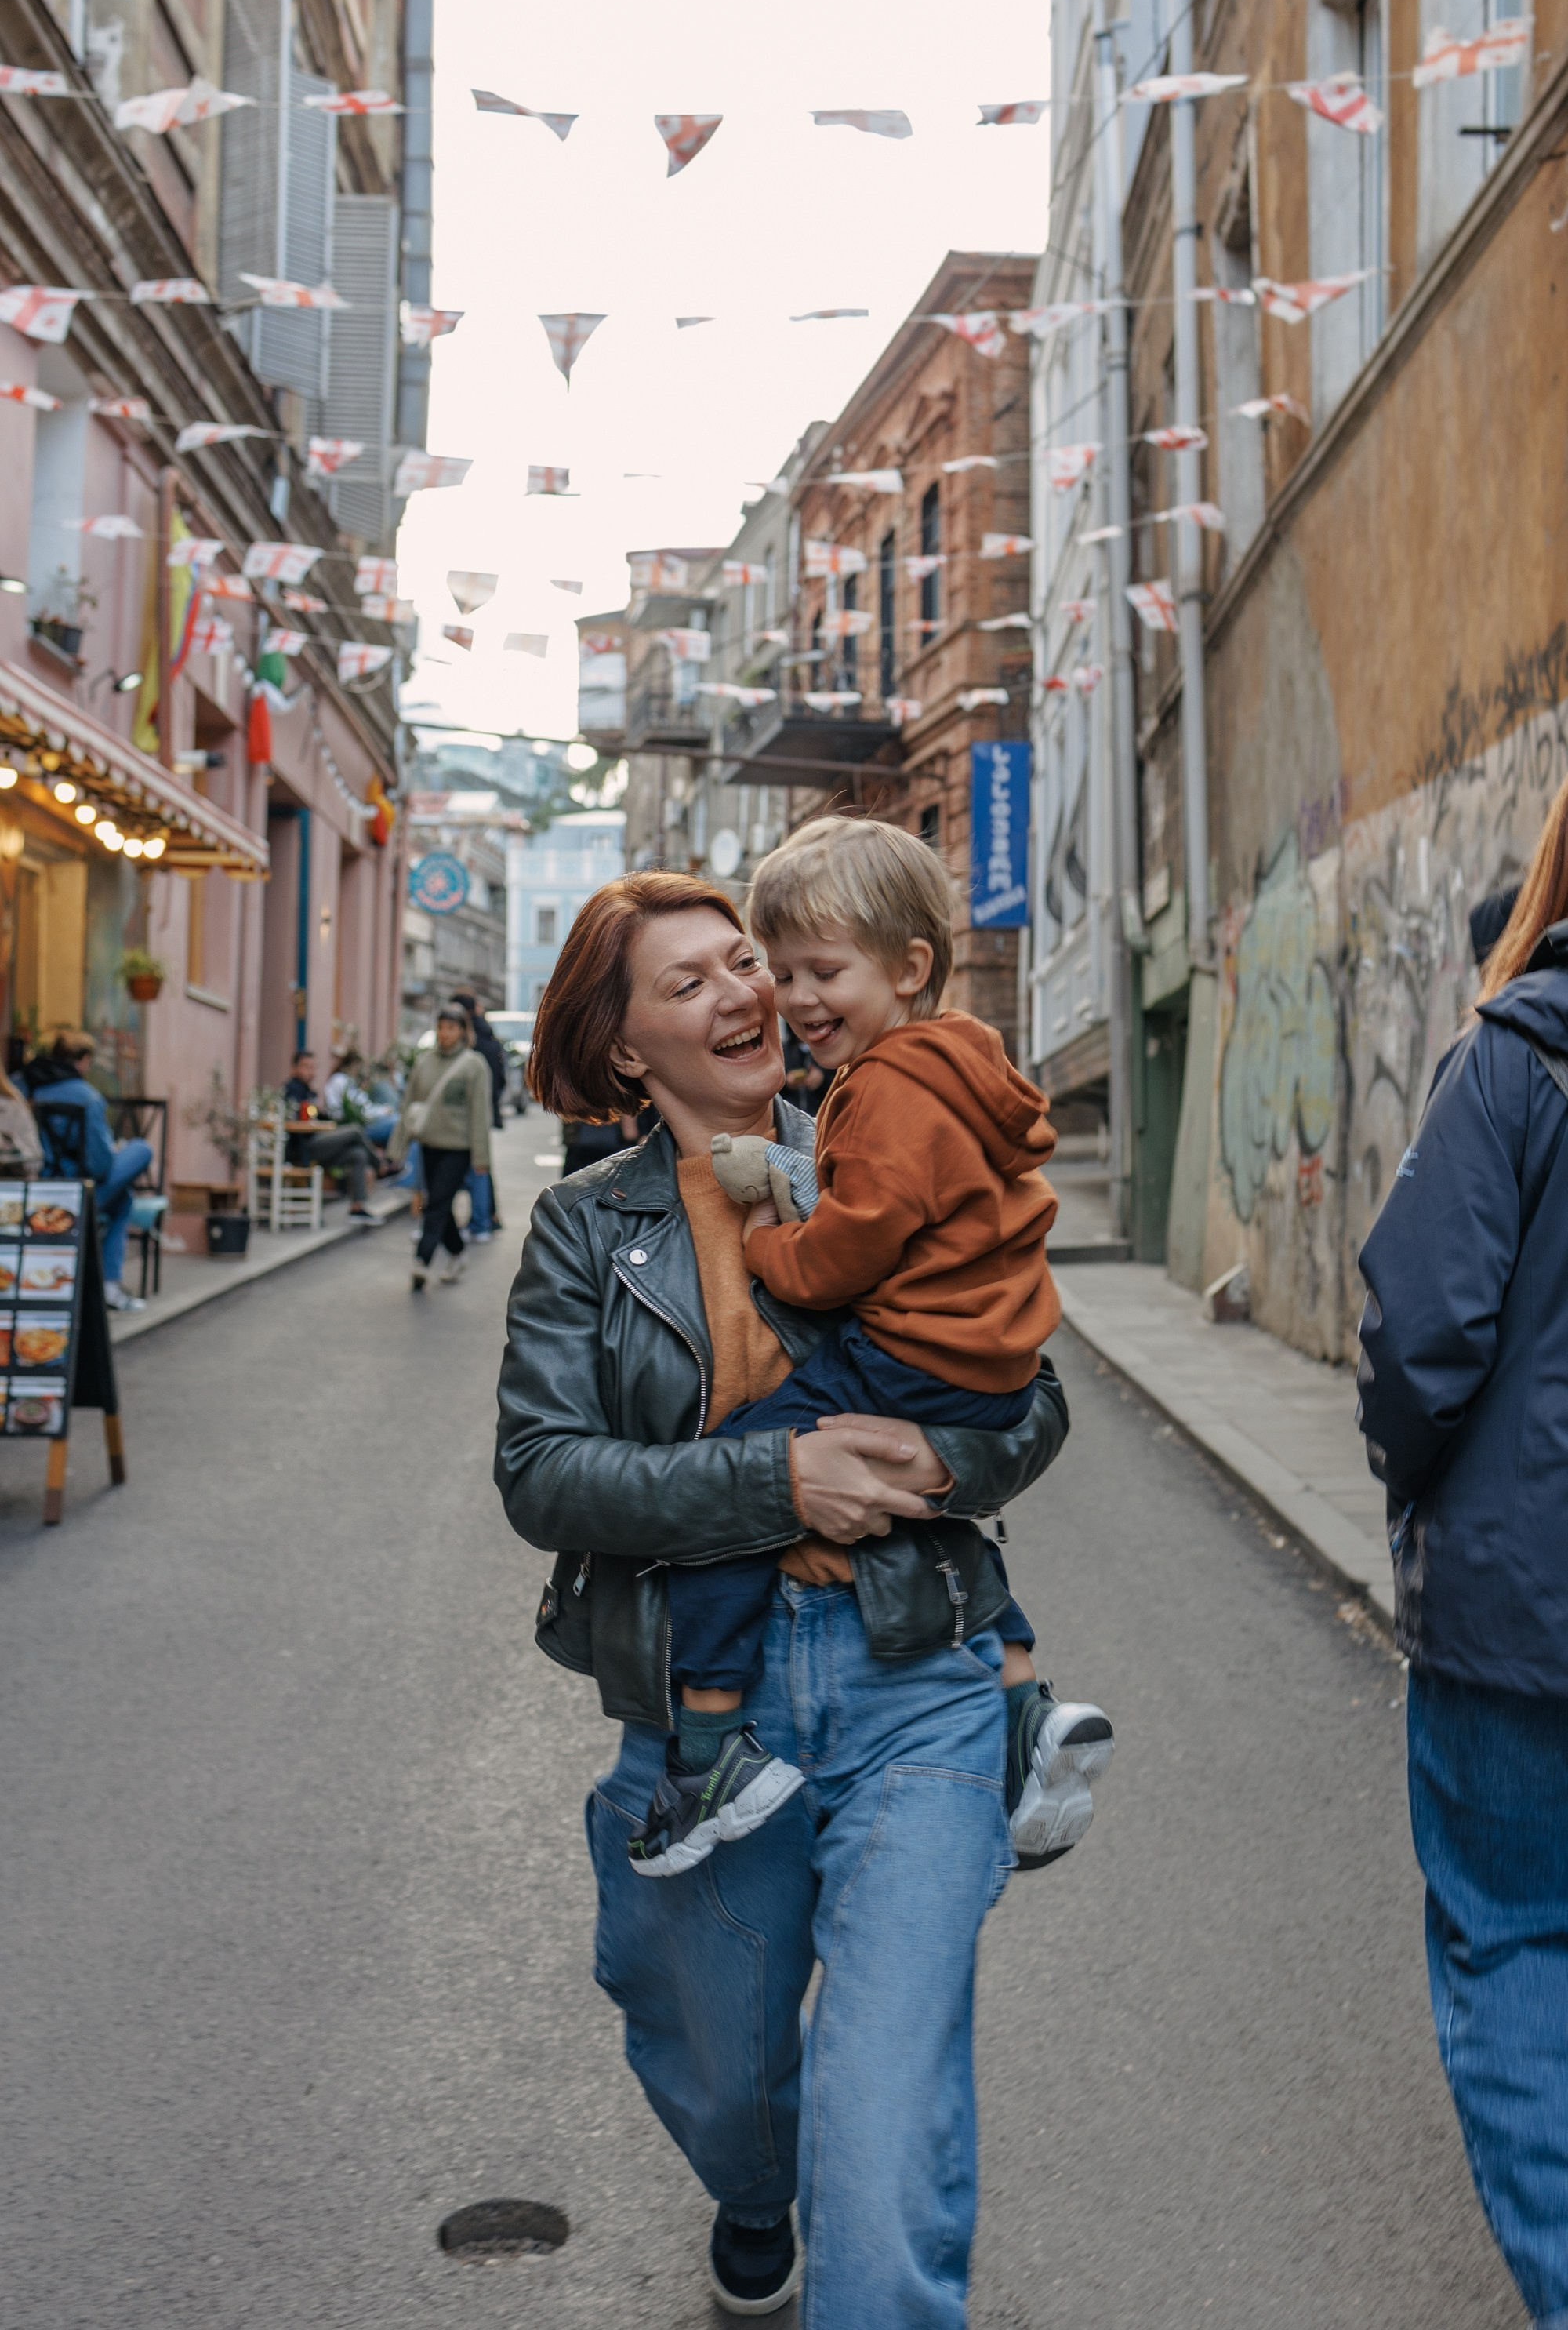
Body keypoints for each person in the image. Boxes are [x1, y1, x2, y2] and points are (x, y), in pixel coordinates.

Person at [495, 872, 1071, 2322]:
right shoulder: (585, 1228)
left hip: (911, 1681)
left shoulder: (893, 1131)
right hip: (710, 1711)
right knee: (718, 2064)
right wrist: (779, 1485)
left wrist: (938, 1453)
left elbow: (1033, 1390)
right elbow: (544, 1472)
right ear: (630, 1049)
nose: (745, 992)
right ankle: (755, 2198)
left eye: (745, 960)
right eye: (686, 983)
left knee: (879, 2151)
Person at [630, 817, 1111, 1881]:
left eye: (819, 972)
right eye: (784, 968)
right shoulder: (955, 1062)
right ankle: (1024, 1702)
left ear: (911, 968)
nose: (794, 999)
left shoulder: (888, 1087)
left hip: (917, 1358)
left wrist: (770, 1246)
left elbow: (848, 1249)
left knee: (741, 1481)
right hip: (985, 1362)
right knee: (920, 1508)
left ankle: (709, 1744)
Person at [1356, 776, 1568, 2330]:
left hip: (1523, 1601)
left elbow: (1421, 1336)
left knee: (1510, 1942)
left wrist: (1414, 1488)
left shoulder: (1514, 1061)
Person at [25, 1030, 153, 1310]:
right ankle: (110, 1286)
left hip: (43, 1185)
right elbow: (100, 1165)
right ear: (83, 1060)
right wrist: (117, 1151)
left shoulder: (32, 1090)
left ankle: (109, 1286)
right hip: (81, 1191)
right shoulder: (89, 1098)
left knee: (124, 1198)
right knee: (142, 1149)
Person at [392, 1004, 492, 1289]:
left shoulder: (474, 1065)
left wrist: (481, 1156)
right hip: (429, 1144)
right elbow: (409, 1103)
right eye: (441, 1026)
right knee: (438, 1202)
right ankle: (458, 1253)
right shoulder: (425, 1062)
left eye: (451, 1027)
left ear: (463, 1031)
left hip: (458, 1147)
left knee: (435, 1203)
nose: (445, 1033)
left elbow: (479, 1113)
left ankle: (421, 1260)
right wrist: (397, 1146)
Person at [281, 1052, 386, 1227]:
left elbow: (318, 1116)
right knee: (354, 1131)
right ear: (294, 1068)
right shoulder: (291, 1091)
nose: (311, 1072)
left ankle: (357, 1208)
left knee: (357, 1154)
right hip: (302, 1148)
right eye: (306, 1067)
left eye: (313, 1067)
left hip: (315, 1144)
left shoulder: (308, 1092)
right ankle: (381, 1166)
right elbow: (297, 1122)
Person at [451, 993, 506, 1239]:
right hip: (486, 1112)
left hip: (464, 1117)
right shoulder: (491, 1038)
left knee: (473, 1168)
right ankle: (487, 1218)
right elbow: (502, 1080)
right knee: (481, 1165)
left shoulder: (468, 1044)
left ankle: (480, 1222)